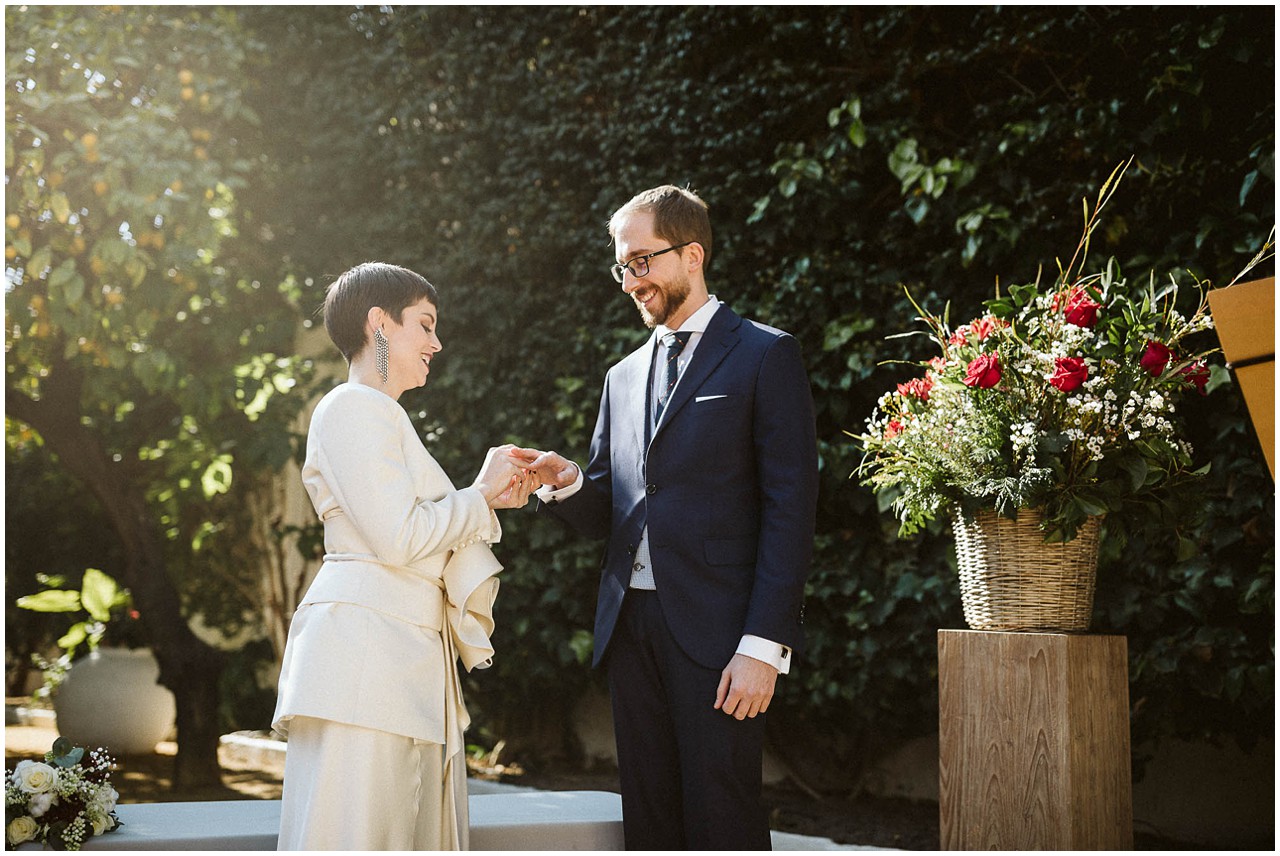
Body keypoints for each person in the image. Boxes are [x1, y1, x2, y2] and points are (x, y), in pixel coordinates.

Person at [515, 185, 819, 849]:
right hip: (632, 630)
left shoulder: (765, 355)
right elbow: (610, 510)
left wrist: (763, 646)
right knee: (649, 822)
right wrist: (567, 483)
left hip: (721, 633)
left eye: (642, 262)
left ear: (692, 255)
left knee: (722, 817)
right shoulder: (621, 377)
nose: (631, 281)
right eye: (622, 266)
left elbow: (790, 511)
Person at [273, 262, 536, 850]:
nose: (436, 342)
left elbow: (411, 530)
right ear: (378, 323)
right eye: (425, 324)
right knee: (361, 830)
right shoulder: (352, 407)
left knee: (396, 825)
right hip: (366, 656)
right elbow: (398, 538)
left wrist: (488, 500)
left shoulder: (381, 414)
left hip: (395, 650)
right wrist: (479, 495)